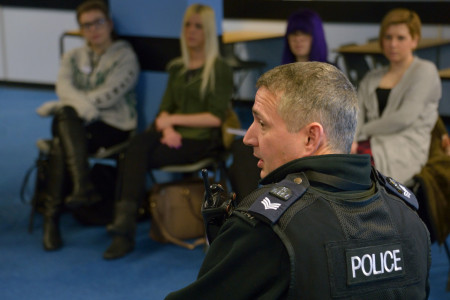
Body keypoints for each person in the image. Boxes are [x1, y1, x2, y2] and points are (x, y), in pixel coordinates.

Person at [165, 62, 431, 299]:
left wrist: (226, 246)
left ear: (310, 138)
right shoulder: (409, 216)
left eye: (262, 123)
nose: (248, 137)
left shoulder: (269, 228)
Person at [102, 3, 233, 260]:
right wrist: (169, 127)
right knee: (135, 148)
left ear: (208, 32)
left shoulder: (219, 69)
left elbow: (214, 118)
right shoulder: (177, 67)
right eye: (187, 25)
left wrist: (171, 119)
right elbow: (163, 111)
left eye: (198, 26)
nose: (191, 31)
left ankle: (123, 228)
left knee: (134, 157)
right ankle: (124, 226)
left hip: (201, 140)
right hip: (172, 136)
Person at [35, 0, 139, 251]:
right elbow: (63, 88)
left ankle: (52, 219)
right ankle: (82, 187)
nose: (93, 29)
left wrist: (73, 108)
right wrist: (74, 109)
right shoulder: (72, 57)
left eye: (98, 22)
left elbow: (110, 94)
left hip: (114, 124)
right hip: (78, 125)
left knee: (63, 130)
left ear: (110, 24)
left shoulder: (125, 56)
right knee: (66, 128)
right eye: (86, 25)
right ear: (81, 30)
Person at [229, 8, 330, 202]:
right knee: (241, 150)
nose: (298, 39)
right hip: (281, 133)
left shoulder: (329, 76)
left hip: (307, 140)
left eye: (304, 33)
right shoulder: (280, 76)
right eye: (293, 33)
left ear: (315, 37)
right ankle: (249, 210)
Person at [352, 8, 441, 185]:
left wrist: (364, 132)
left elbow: (404, 118)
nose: (393, 44)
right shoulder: (372, 77)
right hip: (368, 143)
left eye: (401, 38)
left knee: (355, 171)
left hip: (404, 147)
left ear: (414, 41)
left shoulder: (425, 71)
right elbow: (356, 112)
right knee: (338, 161)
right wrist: (352, 140)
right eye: (388, 37)